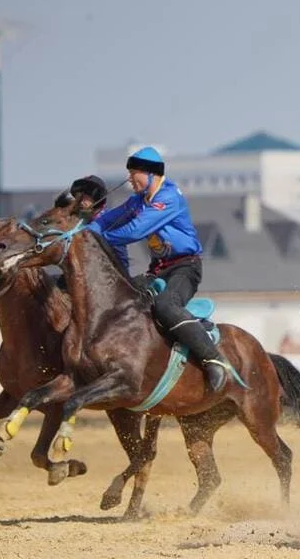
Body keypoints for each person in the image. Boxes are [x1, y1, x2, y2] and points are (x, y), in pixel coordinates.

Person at [86, 146, 232, 391]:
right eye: (129, 174)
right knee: (124, 301)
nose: (130, 180)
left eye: (134, 174)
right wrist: (82, 232)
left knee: (166, 305)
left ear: (151, 173)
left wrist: (100, 238)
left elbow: (135, 231)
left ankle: (214, 359)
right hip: (158, 269)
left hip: (185, 268)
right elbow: (106, 220)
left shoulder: (168, 197)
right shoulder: (137, 201)